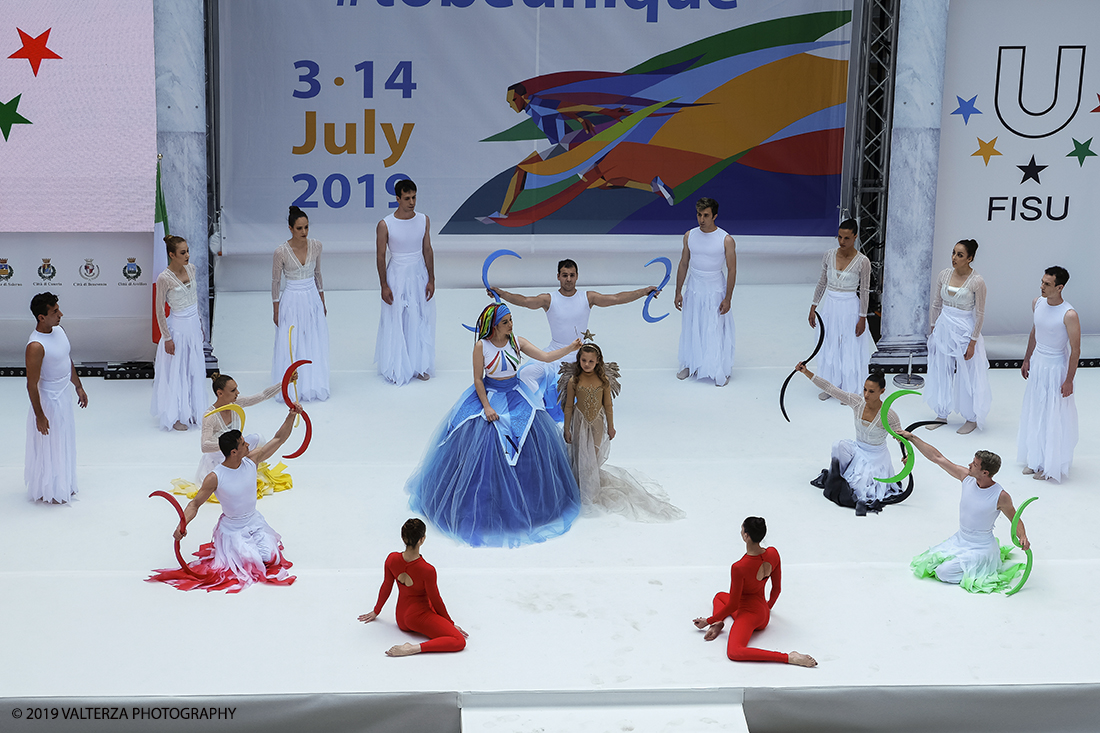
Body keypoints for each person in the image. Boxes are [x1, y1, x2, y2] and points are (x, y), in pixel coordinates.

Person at [406, 303, 582, 547]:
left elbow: (545, 356)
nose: (511, 325)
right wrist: (487, 406)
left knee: (526, 438)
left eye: (511, 320)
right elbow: (478, 379)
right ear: (494, 326)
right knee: (483, 443)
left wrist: (570, 348)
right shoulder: (482, 346)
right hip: (489, 396)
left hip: (516, 394)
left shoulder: (517, 342)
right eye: (506, 322)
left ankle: (528, 504)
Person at [147, 407, 302, 592]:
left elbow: (279, 438)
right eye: (243, 444)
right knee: (249, 563)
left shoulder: (252, 460)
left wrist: (291, 415)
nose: (248, 446)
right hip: (232, 529)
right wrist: (182, 525)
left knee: (269, 558)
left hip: (254, 521)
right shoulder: (215, 477)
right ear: (234, 452)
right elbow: (194, 504)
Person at [490, 258, 657, 417]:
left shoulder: (587, 297)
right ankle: (539, 410)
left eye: (571, 275)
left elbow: (616, 298)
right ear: (558, 277)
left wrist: (643, 292)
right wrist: (501, 293)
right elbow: (526, 301)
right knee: (526, 374)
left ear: (577, 276)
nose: (568, 279)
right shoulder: (549, 299)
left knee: (578, 393)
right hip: (553, 354)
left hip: (579, 358)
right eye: (564, 275)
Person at [560, 343, 684, 522]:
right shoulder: (574, 381)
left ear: (598, 362)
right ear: (579, 360)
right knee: (581, 455)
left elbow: (608, 405)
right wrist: (566, 428)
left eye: (591, 361)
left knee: (592, 456)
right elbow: (569, 406)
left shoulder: (603, 381)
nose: (587, 364)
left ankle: (591, 488)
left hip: (596, 423)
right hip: (580, 422)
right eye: (583, 360)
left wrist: (611, 426)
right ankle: (580, 487)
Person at [902, 433, 1030, 593]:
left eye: (975, 464)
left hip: (981, 548)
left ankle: (979, 569)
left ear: (985, 472)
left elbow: (1015, 518)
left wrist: (1022, 536)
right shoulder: (967, 478)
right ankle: (966, 564)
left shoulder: (1000, 496)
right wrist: (912, 438)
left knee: (943, 572)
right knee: (930, 562)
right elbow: (937, 457)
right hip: (960, 539)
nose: (969, 465)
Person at [693, 517, 817, 667]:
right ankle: (720, 623)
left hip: (748, 616)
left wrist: (708, 620)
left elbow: (733, 605)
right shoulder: (773, 553)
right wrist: (767, 608)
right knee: (719, 596)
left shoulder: (739, 567)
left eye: (742, 529)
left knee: (734, 652)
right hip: (763, 614)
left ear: (746, 536)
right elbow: (777, 589)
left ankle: (789, 657)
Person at [795, 364, 903, 512]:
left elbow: (902, 439)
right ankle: (837, 473)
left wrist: (906, 456)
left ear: (882, 391)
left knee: (857, 489)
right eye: (865, 389)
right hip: (858, 448)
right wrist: (806, 372)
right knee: (838, 445)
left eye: (871, 391)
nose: (866, 395)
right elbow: (831, 389)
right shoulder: (857, 402)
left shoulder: (889, 415)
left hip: (876, 456)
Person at [358, 518, 468, 657]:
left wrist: (376, 611)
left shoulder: (391, 559)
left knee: (429, 605)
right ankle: (412, 648)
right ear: (422, 539)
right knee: (459, 641)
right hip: (416, 618)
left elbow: (386, 586)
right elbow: (436, 600)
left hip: (400, 618)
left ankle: (419, 637)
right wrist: (450, 624)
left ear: (403, 537)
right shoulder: (427, 570)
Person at [1017, 266, 1080, 482]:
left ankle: (1050, 464)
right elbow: (1035, 332)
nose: (1042, 286)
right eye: (1042, 282)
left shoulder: (1069, 314)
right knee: (1037, 411)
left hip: (1056, 368)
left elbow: (1076, 350)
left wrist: (1069, 379)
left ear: (1060, 287)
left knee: (1052, 414)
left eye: (1047, 284)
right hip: (1038, 364)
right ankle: (1035, 458)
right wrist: (1027, 358)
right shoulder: (1038, 303)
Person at [25, 292, 87, 504]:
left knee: (64, 441)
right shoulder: (35, 346)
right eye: (54, 311)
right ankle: (49, 488)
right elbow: (31, 384)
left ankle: (63, 483)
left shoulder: (59, 330)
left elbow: (65, 359)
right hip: (49, 402)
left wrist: (78, 386)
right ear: (41, 317)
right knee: (49, 445)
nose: (61, 314)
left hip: (65, 397)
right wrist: (39, 416)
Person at [924, 239, 991, 434]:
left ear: (970, 258)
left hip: (964, 329)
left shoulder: (977, 281)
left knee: (967, 374)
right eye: (953, 253)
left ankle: (971, 417)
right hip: (944, 327)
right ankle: (941, 412)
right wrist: (933, 330)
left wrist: (972, 342)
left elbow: (980, 314)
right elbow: (936, 304)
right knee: (941, 369)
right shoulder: (944, 274)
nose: (954, 257)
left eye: (960, 255)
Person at [375, 179, 436, 385]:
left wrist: (431, 279)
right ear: (397, 198)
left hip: (418, 274)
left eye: (414, 197)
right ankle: (397, 364)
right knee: (397, 317)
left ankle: (418, 364)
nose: (412, 202)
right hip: (397, 275)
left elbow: (427, 249)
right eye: (407, 198)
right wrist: (384, 285)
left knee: (419, 316)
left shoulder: (423, 220)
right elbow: (380, 255)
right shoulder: (385, 224)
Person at [674, 197, 736, 386]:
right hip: (694, 288)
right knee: (692, 324)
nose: (701, 219)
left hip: (715, 288)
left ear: (715, 216)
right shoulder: (689, 235)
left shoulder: (725, 239)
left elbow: (732, 269)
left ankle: (718, 369)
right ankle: (689, 363)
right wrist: (678, 291)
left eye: (706, 215)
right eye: (699, 214)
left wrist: (728, 298)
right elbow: (684, 263)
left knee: (714, 328)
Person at [808, 219, 871, 398]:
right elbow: (822, 281)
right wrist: (813, 306)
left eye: (846, 238)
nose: (842, 242)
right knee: (830, 343)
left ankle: (849, 390)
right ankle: (830, 386)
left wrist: (863, 317)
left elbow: (865, 291)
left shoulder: (862, 261)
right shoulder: (829, 255)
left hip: (850, 306)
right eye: (839, 237)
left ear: (855, 237)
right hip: (830, 305)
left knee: (849, 345)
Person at [272, 205, 329, 402]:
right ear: (290, 228)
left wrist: (322, 301)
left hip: (311, 296)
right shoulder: (281, 252)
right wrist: (276, 309)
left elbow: (318, 274)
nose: (304, 232)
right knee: (292, 340)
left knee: (312, 338)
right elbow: (276, 282)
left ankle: (312, 383)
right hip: (292, 299)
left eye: (306, 227)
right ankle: (293, 384)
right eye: (299, 228)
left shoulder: (317, 246)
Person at [151, 236, 206, 431]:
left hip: (192, 327)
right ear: (171, 254)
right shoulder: (164, 278)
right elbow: (159, 310)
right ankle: (174, 415)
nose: (187, 255)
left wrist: (200, 326)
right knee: (177, 372)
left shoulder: (191, 269)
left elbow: (195, 300)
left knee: (193, 369)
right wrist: (167, 337)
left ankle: (191, 409)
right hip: (177, 330)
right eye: (183, 253)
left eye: (188, 251)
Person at [196, 373, 281, 483]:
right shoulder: (210, 416)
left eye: (237, 389)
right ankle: (236, 468)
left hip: (235, 449)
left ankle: (246, 468)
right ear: (220, 393)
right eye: (233, 390)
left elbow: (263, 395)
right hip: (220, 454)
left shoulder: (236, 403)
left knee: (258, 438)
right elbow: (204, 447)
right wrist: (229, 444)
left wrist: (284, 383)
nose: (238, 393)